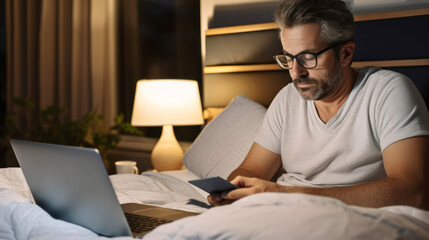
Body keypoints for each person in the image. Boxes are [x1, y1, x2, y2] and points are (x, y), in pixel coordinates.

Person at [208, 0, 429, 209]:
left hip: (351, 217)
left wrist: (284, 195)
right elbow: (252, 169)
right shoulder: (287, 99)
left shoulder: (387, 91)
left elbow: (413, 191)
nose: (296, 72)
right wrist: (230, 192)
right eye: (288, 58)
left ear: (345, 53)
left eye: (308, 57)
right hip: (279, 212)